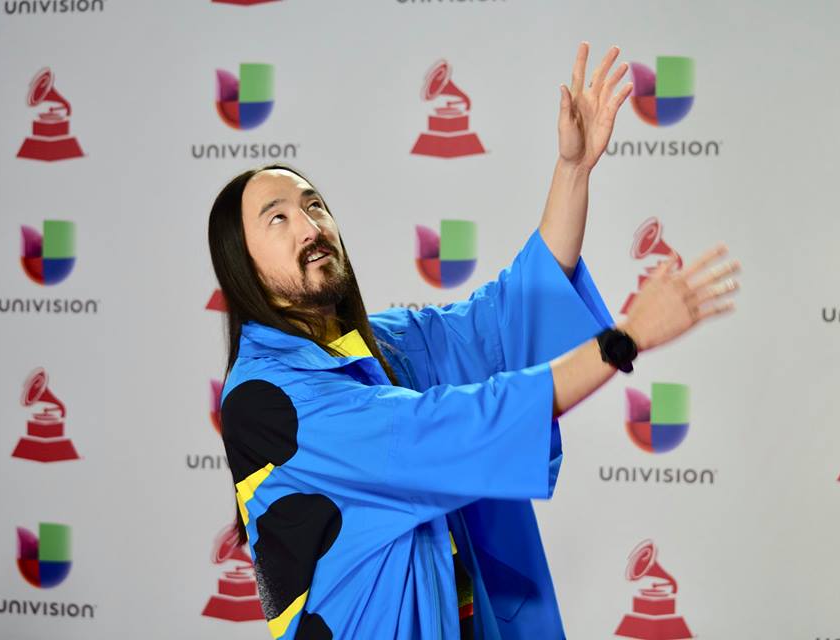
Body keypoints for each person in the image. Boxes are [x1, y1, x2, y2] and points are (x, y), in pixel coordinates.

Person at [207, 43, 739, 640]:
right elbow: (444, 430)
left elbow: (503, 319)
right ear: (241, 263)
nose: (310, 227)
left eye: (315, 206)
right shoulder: (264, 399)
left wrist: (573, 170)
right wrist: (624, 339)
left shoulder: (383, 347)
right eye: (278, 218)